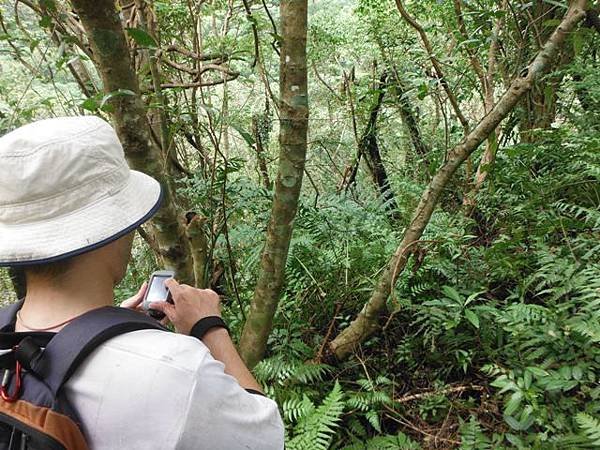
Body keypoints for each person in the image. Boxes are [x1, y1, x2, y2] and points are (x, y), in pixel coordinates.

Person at [0, 116, 284, 449]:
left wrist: (97, 330)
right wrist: (210, 328)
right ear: (113, 230)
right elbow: (265, 437)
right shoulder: (177, 371)